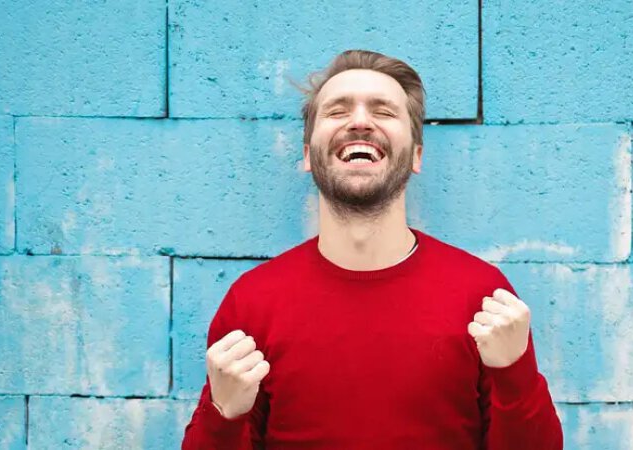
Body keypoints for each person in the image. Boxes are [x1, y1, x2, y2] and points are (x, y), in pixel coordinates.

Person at [182, 49, 563, 449]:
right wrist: (224, 415)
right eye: (337, 111)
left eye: (383, 111)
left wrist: (515, 374)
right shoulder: (253, 303)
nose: (360, 121)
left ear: (416, 155)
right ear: (308, 155)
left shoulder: (483, 297)